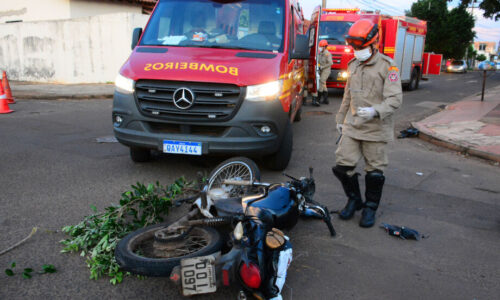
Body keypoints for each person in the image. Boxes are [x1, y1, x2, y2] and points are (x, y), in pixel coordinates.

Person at [332, 19, 402, 228]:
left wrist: (375, 111)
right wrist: (340, 118)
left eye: (360, 46)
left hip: (376, 128)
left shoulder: (388, 67)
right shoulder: (353, 64)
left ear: (374, 44)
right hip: (353, 126)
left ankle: (370, 208)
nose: (355, 50)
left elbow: (395, 99)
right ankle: (354, 200)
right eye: (353, 46)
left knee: (375, 172)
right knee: (343, 166)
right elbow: (347, 95)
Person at [312, 40, 333, 106]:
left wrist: (322, 67)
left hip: (326, 70)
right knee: (323, 84)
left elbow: (330, 63)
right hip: (321, 70)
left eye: (321, 46)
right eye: (319, 46)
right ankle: (326, 99)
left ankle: (318, 99)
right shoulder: (320, 53)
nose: (320, 48)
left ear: (324, 47)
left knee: (321, 81)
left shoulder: (327, 54)